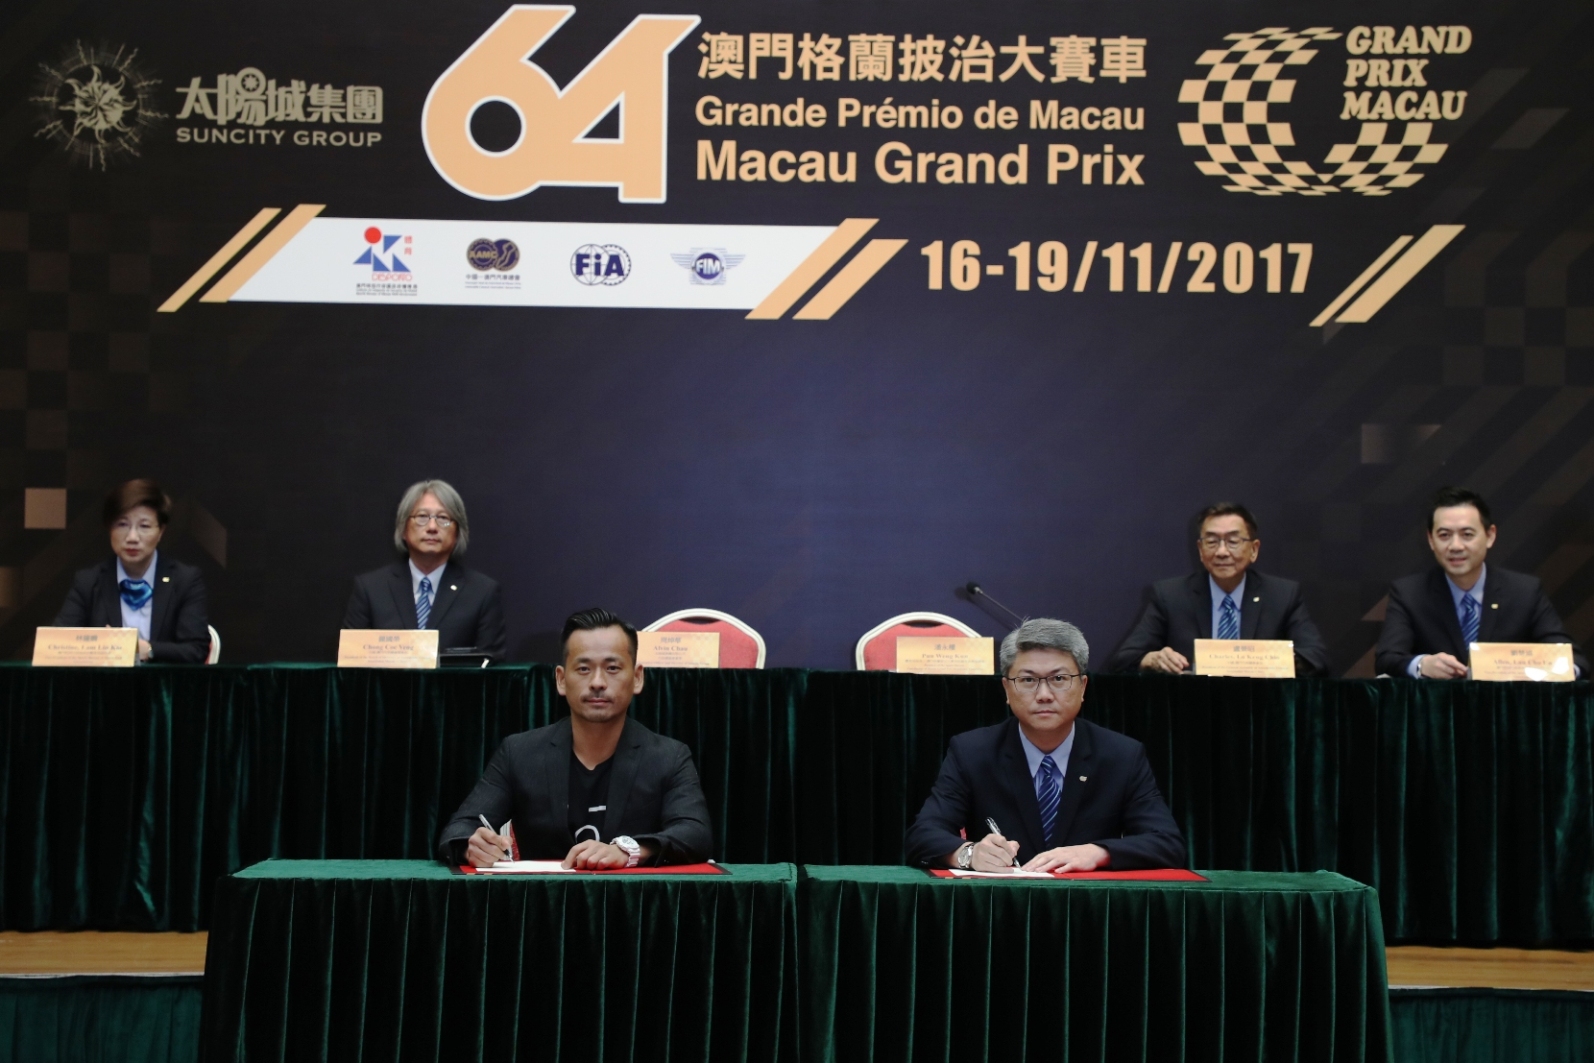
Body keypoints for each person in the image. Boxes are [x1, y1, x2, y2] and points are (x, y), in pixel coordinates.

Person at [437, 608, 713, 869]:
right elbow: (459, 830)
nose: (597, 682)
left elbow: (695, 833)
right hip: (541, 898)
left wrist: (629, 850)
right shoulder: (519, 753)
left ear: (637, 678)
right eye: (583, 669)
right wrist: (472, 847)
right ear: (560, 679)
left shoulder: (668, 757)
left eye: (612, 668)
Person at [905, 618, 1186, 873]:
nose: (1044, 695)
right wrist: (969, 854)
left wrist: (1098, 853)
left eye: (1059, 679)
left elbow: (1167, 843)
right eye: (1028, 680)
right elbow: (922, 835)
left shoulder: (1121, 755)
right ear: (1006, 689)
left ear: (1083, 687)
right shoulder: (972, 752)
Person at [1375, 486, 1587, 679]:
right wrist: (1422, 665)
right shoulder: (1410, 594)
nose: (1455, 546)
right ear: (1431, 540)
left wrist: (1540, 672)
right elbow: (1387, 658)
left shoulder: (1525, 592)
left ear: (1490, 536)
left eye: (1467, 535)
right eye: (1444, 535)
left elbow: (1574, 661)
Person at [1108, 502, 1331, 676]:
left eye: (1233, 541)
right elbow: (1123, 660)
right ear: (1200, 549)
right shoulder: (1170, 595)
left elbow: (1317, 658)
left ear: (1254, 550)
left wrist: (1265, 662)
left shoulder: (1282, 595)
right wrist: (1151, 659)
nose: (1222, 552)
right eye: (1212, 541)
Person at [342, 479, 507, 659]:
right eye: (422, 517)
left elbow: (491, 665)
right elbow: (352, 662)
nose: (432, 527)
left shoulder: (482, 593)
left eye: (443, 518)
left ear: (458, 533)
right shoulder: (371, 589)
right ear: (403, 529)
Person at [53, 479, 211, 663]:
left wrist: (148, 650)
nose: (132, 537)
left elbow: (196, 649)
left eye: (144, 526)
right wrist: (99, 645)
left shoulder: (184, 580)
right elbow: (57, 645)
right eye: (122, 525)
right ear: (109, 529)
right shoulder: (89, 582)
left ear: (161, 531)